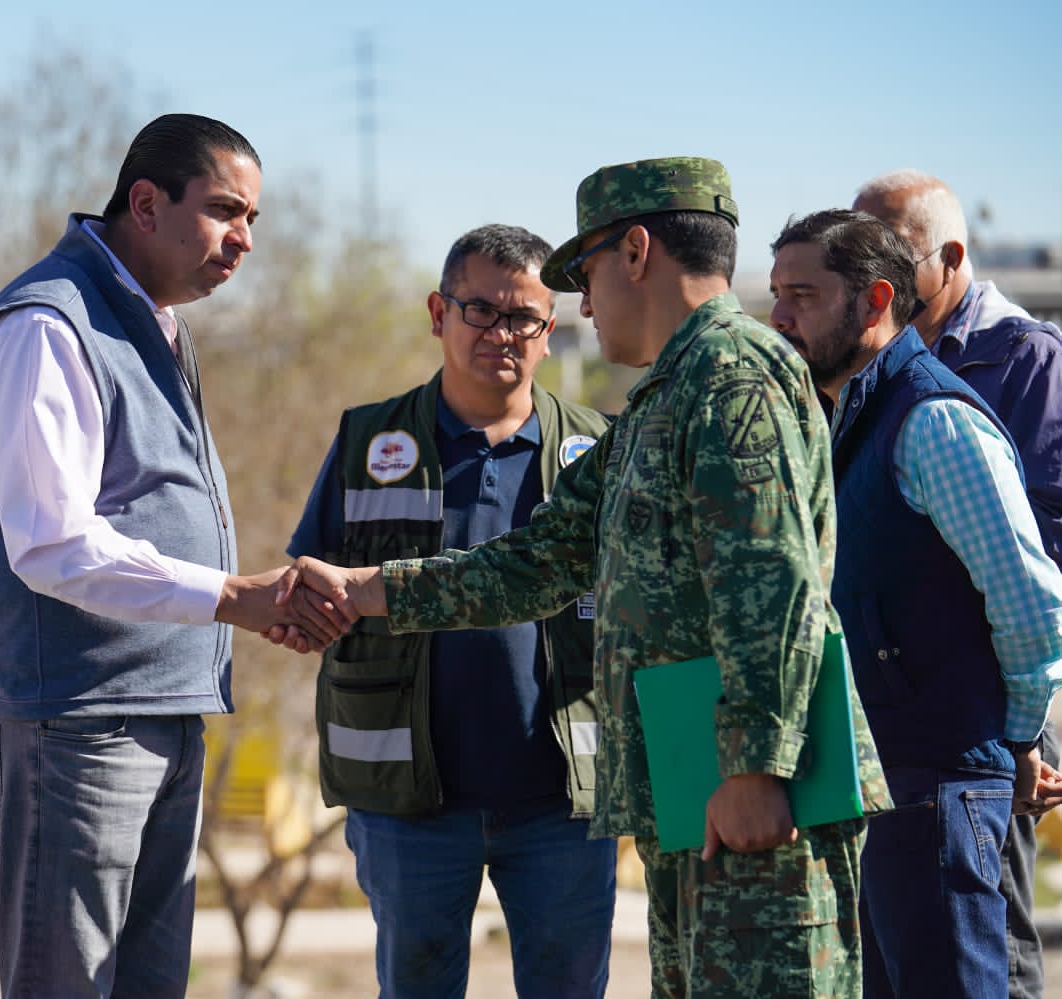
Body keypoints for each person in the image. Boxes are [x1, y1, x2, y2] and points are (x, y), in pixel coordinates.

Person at [276, 157, 891, 998]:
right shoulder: (660, 401)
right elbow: (542, 559)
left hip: (750, 792)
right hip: (693, 784)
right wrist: (367, 590)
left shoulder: (734, 378)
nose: (586, 305)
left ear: (637, 251)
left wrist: (755, 766)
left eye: (588, 274)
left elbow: (772, 585)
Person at [0, 113, 344, 998]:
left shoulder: (152, 323)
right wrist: (231, 596)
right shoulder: (47, 324)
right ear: (144, 201)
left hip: (160, 712)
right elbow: (52, 543)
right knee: (67, 982)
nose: (244, 239)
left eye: (252, 219)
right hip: (77, 723)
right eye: (224, 211)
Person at [288, 223, 615, 998]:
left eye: (524, 318)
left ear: (550, 331)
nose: (501, 333)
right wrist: (308, 609)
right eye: (480, 310)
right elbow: (311, 582)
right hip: (410, 805)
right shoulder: (369, 440)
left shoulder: (597, 451)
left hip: (562, 803)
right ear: (438, 313)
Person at [768, 208, 1062, 998]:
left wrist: (1017, 734)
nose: (779, 316)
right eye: (775, 294)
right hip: (887, 784)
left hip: (940, 789)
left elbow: (1032, 600)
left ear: (876, 301)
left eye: (803, 293)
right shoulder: (853, 416)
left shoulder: (931, 419)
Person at [854, 170, 1062, 999]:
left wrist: (1029, 728)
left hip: (998, 703)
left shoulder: (1026, 359)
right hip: (910, 710)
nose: (867, 259)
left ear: (950, 255)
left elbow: (1039, 551)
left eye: (889, 243)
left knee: (991, 930)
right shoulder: (871, 360)